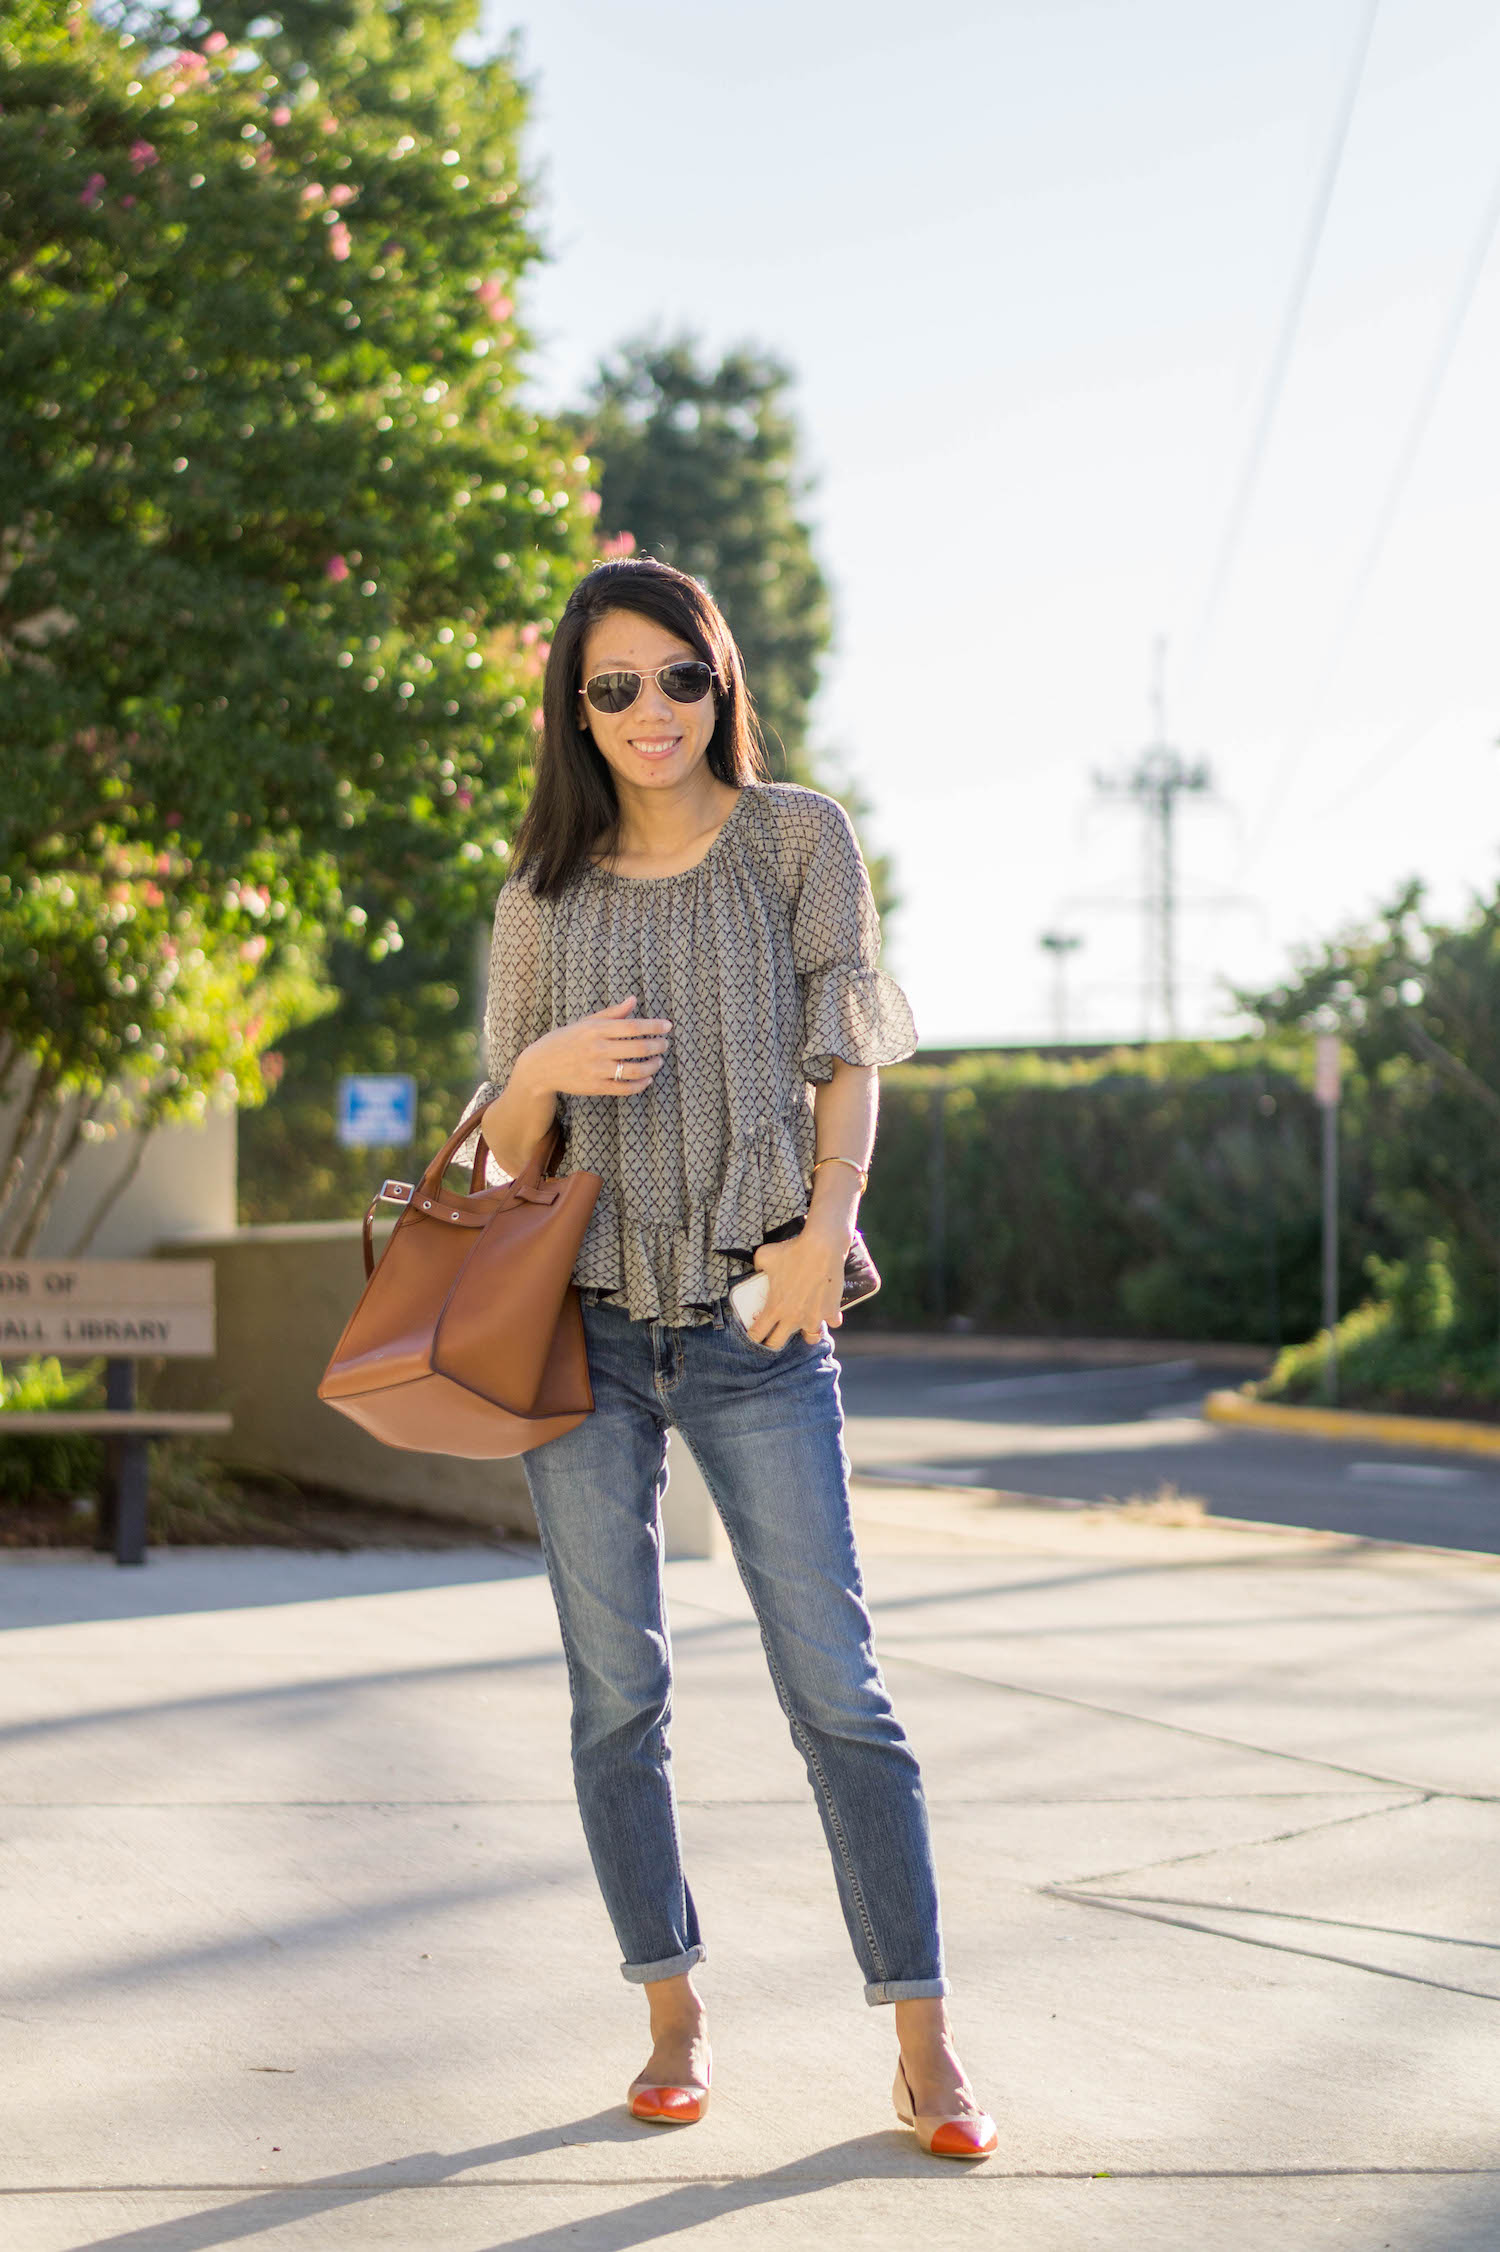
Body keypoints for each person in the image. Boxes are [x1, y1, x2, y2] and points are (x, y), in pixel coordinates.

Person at [474, 556, 995, 2159]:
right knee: (616, 1691)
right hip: (584, 1336)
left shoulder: (796, 840)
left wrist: (823, 1237)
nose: (651, 713)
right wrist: (548, 1064)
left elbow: (851, 1052)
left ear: (721, 680)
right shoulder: (540, 896)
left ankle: (924, 2044)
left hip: (760, 1316)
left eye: (678, 678)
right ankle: (672, 2015)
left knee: (838, 1689)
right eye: (614, 688)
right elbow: (501, 1163)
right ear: (578, 709)